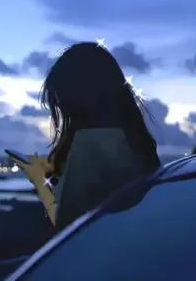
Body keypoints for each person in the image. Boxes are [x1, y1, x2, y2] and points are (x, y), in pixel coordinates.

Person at [39, 41, 161, 233]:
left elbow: (71, 227)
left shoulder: (92, 145)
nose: (61, 106)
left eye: (60, 97)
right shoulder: (133, 143)